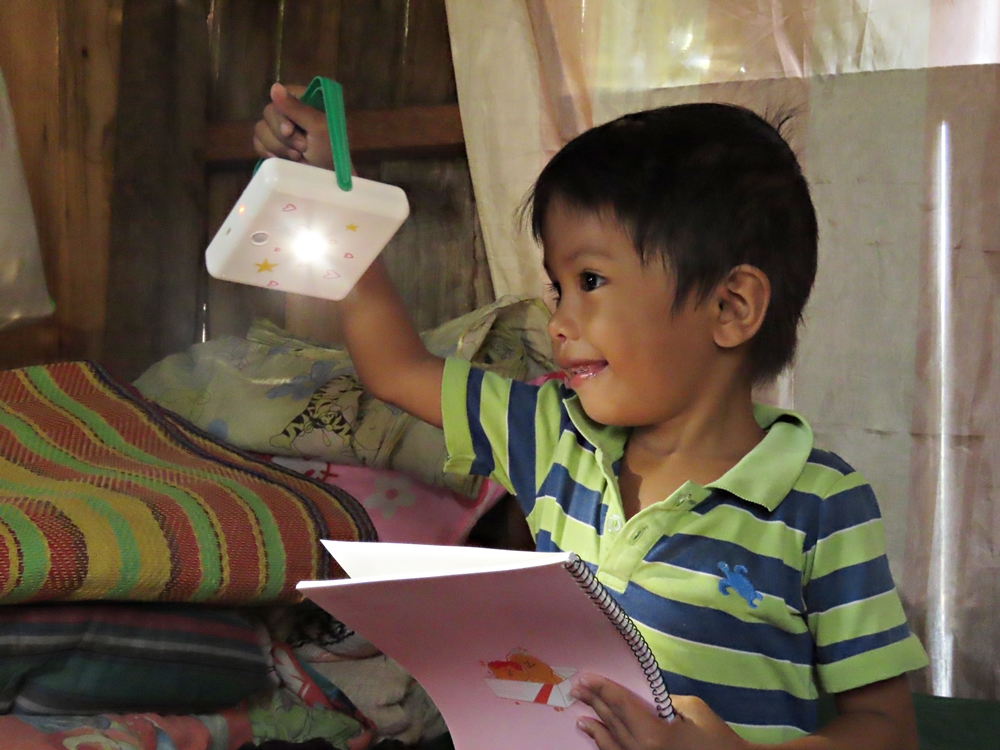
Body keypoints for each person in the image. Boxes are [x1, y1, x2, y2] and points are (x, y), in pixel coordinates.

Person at [254, 82, 929, 749]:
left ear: (730, 309)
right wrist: (331, 197)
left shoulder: (822, 506)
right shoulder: (552, 434)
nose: (558, 322)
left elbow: (886, 732)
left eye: (591, 282)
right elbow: (397, 370)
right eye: (557, 287)